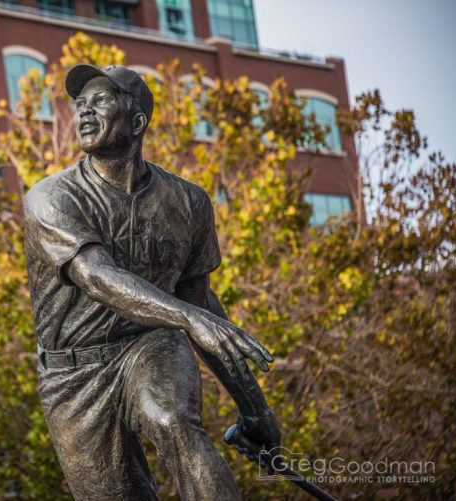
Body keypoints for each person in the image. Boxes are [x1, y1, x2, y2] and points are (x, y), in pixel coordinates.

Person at [23, 64, 281, 500]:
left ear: (137, 121)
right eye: (80, 104)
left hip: (149, 343)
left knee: (173, 420)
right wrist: (189, 319)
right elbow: (97, 277)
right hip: (74, 374)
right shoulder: (50, 197)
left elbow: (201, 307)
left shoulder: (188, 202)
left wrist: (255, 409)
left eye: (101, 100)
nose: (84, 112)